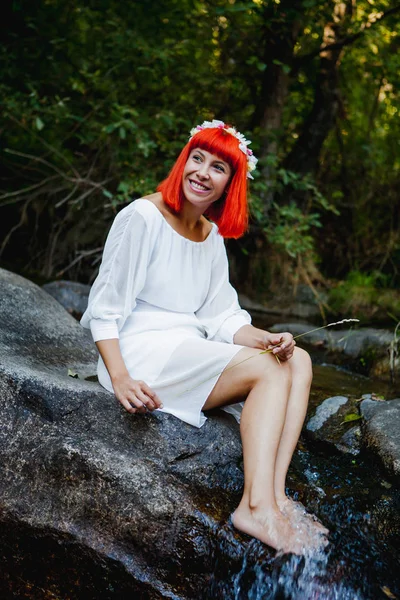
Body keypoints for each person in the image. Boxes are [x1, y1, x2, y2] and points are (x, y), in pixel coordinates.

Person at [81, 120, 327, 554]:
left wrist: (267, 337)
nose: (202, 172)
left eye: (218, 167)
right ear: (184, 162)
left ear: (229, 184)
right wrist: (120, 377)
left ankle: (276, 495)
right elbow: (105, 307)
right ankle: (254, 507)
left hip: (188, 346)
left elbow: (222, 317)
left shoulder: (210, 236)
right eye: (197, 159)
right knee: (269, 373)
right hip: (141, 350)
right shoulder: (142, 217)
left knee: (297, 360)